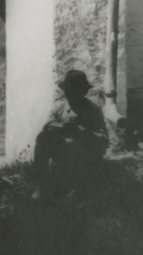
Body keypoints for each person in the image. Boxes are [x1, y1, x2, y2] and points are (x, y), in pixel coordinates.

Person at [32, 69, 109, 199]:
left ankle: (76, 189)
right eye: (67, 90)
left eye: (74, 90)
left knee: (73, 198)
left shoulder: (93, 109)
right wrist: (61, 128)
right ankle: (40, 185)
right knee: (42, 138)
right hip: (63, 150)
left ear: (83, 91)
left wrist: (83, 132)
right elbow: (48, 126)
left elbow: (104, 139)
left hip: (85, 153)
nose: (69, 94)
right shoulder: (59, 107)